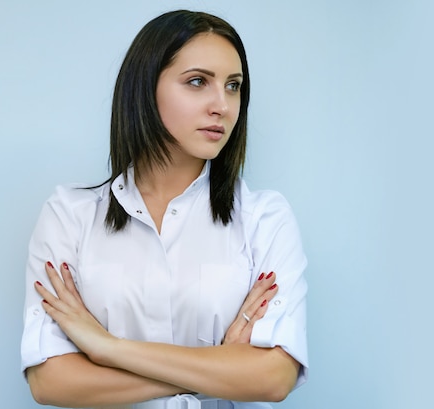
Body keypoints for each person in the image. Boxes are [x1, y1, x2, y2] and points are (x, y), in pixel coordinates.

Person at [20, 9, 308, 409]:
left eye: (233, 86)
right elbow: (50, 382)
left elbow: (274, 377)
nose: (222, 105)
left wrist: (105, 349)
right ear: (144, 88)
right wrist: (220, 370)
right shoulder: (69, 216)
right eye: (197, 82)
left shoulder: (264, 218)